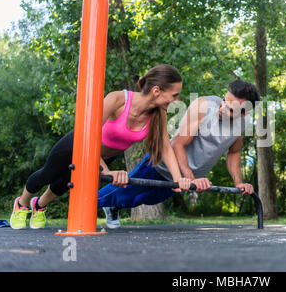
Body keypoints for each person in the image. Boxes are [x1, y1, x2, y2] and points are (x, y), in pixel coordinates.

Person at [10, 64, 192, 230]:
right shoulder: (118, 99)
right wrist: (106, 171)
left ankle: (39, 206)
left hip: (104, 156)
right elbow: (88, 135)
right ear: (156, 91)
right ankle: (22, 204)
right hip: (78, 144)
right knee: (48, 175)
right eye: (174, 95)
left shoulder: (158, 115)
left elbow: (165, 148)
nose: (176, 101)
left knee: (63, 184)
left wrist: (177, 179)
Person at [98, 79, 260, 229]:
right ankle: (83, 206)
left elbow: (234, 152)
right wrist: (191, 179)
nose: (222, 109)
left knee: (144, 199)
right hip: (162, 165)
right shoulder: (204, 106)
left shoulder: (243, 123)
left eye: (230, 110)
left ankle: (112, 205)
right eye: (224, 101)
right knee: (123, 191)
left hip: (185, 177)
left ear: (244, 113)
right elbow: (177, 144)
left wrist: (239, 182)